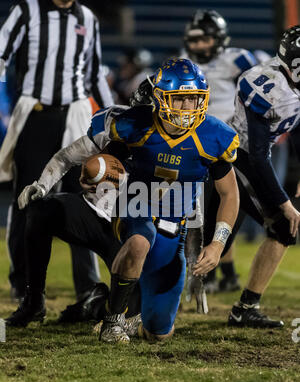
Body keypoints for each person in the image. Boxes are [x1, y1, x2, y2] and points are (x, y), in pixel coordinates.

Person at [6, 58, 240, 343]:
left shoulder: (214, 136)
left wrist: (215, 245)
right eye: (180, 100)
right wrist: (84, 179)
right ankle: (96, 318)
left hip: (168, 235)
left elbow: (226, 195)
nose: (188, 108)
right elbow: (82, 160)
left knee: (158, 333)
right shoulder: (130, 126)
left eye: (193, 99)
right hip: (127, 216)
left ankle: (105, 308)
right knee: (136, 235)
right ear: (159, 99)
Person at [0, 0, 114, 302]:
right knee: (27, 198)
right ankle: (23, 283)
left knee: (87, 198)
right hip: (35, 115)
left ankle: (88, 286)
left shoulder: (87, 17)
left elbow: (94, 75)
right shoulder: (27, 9)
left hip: (76, 115)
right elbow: (1, 54)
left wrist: (114, 114)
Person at [220, 25, 300, 327]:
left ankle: (245, 307)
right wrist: (283, 201)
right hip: (232, 158)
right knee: (209, 240)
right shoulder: (268, 87)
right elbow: (257, 155)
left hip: (250, 158)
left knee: (282, 228)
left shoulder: (290, 84)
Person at [182, 9, 259, 295]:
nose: (199, 45)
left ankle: (221, 272)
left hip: (233, 147)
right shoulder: (185, 62)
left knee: (229, 209)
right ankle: (216, 273)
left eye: (205, 39)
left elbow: (256, 96)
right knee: (202, 211)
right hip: (197, 148)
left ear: (219, 38)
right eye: (195, 40)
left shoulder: (236, 59)